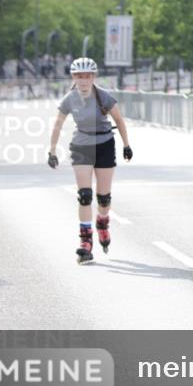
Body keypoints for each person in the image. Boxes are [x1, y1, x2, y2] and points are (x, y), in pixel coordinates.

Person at [47, 57, 133, 264]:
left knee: (103, 198)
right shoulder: (69, 99)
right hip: (81, 146)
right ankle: (85, 242)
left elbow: (119, 120)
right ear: (73, 77)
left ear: (94, 77)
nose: (83, 80)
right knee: (85, 196)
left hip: (104, 145)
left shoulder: (103, 96)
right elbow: (58, 124)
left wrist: (126, 145)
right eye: (79, 76)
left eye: (87, 76)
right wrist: (52, 150)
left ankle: (102, 222)